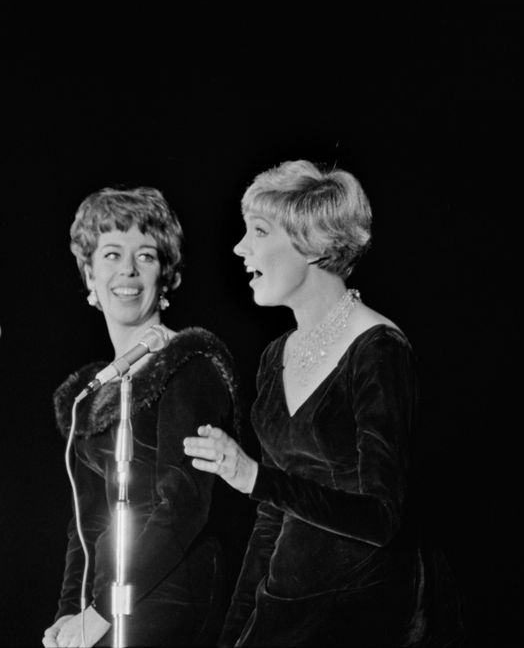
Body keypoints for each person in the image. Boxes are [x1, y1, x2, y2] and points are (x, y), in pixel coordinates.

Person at [184, 160, 436, 646]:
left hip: (363, 618)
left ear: (314, 243)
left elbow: (383, 519)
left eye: (258, 231)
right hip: (284, 612)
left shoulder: (379, 348)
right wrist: (234, 633)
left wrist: (254, 476)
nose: (239, 247)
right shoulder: (275, 355)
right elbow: (271, 517)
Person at [43, 186, 240, 647]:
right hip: (106, 598)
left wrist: (104, 612)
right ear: (89, 275)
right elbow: (86, 522)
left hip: (171, 592)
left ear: (166, 276)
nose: (127, 270)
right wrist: (70, 612)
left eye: (146, 256)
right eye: (111, 254)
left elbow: (183, 506)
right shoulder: (86, 392)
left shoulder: (190, 361)